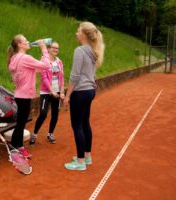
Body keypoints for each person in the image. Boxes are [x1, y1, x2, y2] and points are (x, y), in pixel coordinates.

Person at [63, 22, 105, 171]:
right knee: (85, 123)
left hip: (80, 92)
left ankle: (80, 162)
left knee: (77, 126)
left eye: (78, 31)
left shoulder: (80, 51)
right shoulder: (94, 52)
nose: (76, 33)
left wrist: (67, 96)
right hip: (89, 91)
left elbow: (74, 76)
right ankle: (87, 156)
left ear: (84, 35)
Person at [7, 34, 51, 158]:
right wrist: (43, 48)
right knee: (21, 124)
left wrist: (42, 59)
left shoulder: (15, 58)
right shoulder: (25, 58)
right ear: (20, 45)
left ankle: (16, 147)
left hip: (20, 95)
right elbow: (46, 66)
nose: (28, 41)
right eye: (25, 40)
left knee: (20, 123)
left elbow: (37, 69)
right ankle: (17, 149)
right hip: (24, 96)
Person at [29, 41, 65, 145]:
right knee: (43, 113)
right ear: (48, 49)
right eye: (53, 47)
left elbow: (61, 77)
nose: (55, 50)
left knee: (55, 113)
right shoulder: (44, 61)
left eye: (57, 48)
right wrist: (52, 91)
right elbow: (44, 78)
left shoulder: (59, 62)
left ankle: (50, 133)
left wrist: (61, 91)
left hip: (57, 91)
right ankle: (34, 134)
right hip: (46, 91)